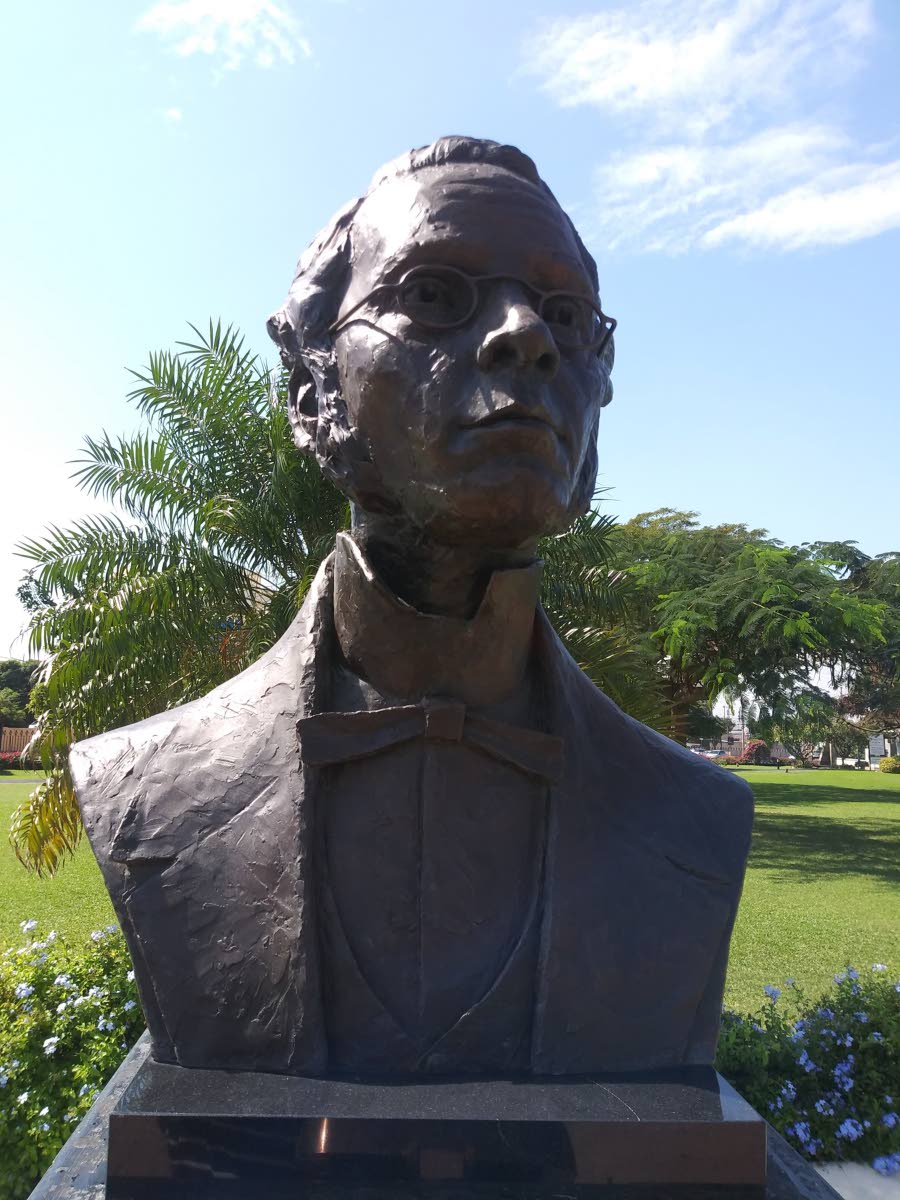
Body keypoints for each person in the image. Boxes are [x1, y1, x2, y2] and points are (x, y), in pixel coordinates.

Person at [71, 137, 753, 1078]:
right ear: (315, 393)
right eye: (432, 294)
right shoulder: (142, 787)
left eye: (564, 312)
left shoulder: (698, 818)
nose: (528, 335)